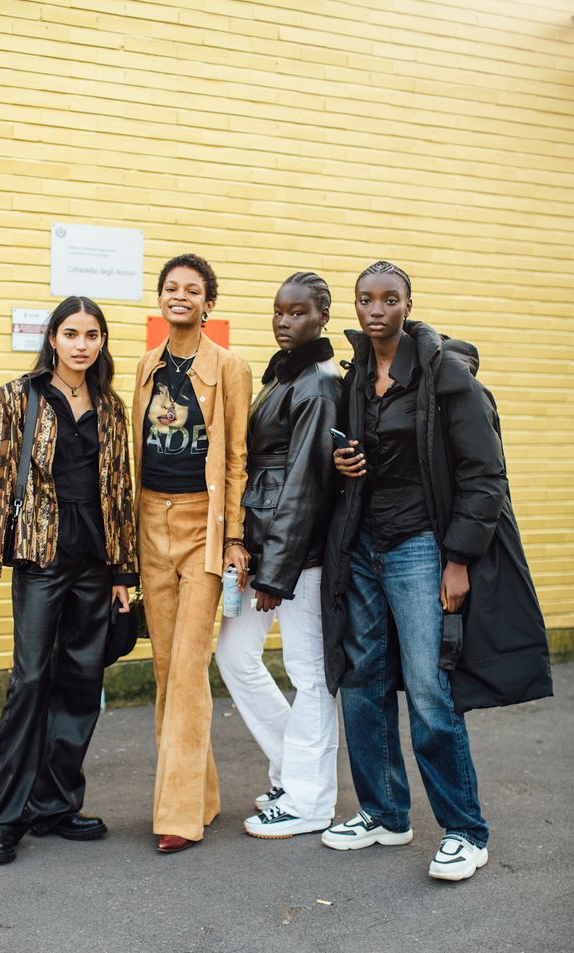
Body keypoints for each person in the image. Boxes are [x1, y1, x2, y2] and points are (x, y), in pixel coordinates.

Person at [320, 260, 552, 881]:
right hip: (364, 546)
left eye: (388, 299)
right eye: (365, 299)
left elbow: (485, 476)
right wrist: (347, 465)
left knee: (429, 689)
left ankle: (465, 831)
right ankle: (385, 815)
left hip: (421, 547)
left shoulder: (446, 375)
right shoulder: (357, 376)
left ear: (407, 304)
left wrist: (459, 559)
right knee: (363, 682)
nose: (376, 309)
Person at [0, 296, 138, 865]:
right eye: (72, 333)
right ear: (53, 338)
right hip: (41, 557)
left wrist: (123, 570)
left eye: (93, 335)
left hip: (94, 558)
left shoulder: (111, 406)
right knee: (31, 682)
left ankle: (56, 803)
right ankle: (4, 818)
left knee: (80, 683)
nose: (82, 344)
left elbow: (119, 491)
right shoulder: (16, 398)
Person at [216, 272, 345, 839]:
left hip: (297, 555)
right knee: (235, 656)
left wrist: (277, 570)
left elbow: (305, 484)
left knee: (309, 676)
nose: (284, 321)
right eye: (278, 312)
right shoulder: (285, 375)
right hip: (264, 545)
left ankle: (311, 802)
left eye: (297, 313)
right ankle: (293, 771)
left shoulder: (318, 382)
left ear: (321, 315)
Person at [132, 253, 252, 854]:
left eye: (193, 289)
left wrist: (234, 538)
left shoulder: (229, 367)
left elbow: (236, 458)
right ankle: (199, 795)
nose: (180, 296)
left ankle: (178, 815)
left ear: (209, 302)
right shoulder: (146, 365)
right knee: (163, 671)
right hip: (149, 521)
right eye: (171, 288)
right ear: (161, 299)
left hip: (202, 526)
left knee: (187, 670)